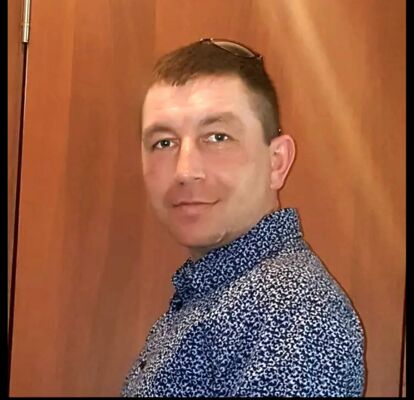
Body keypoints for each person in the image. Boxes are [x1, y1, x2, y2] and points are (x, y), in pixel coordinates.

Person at [121, 38, 366, 397]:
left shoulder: (296, 316)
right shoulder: (214, 292)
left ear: (276, 162)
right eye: (164, 142)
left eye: (217, 137)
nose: (184, 171)